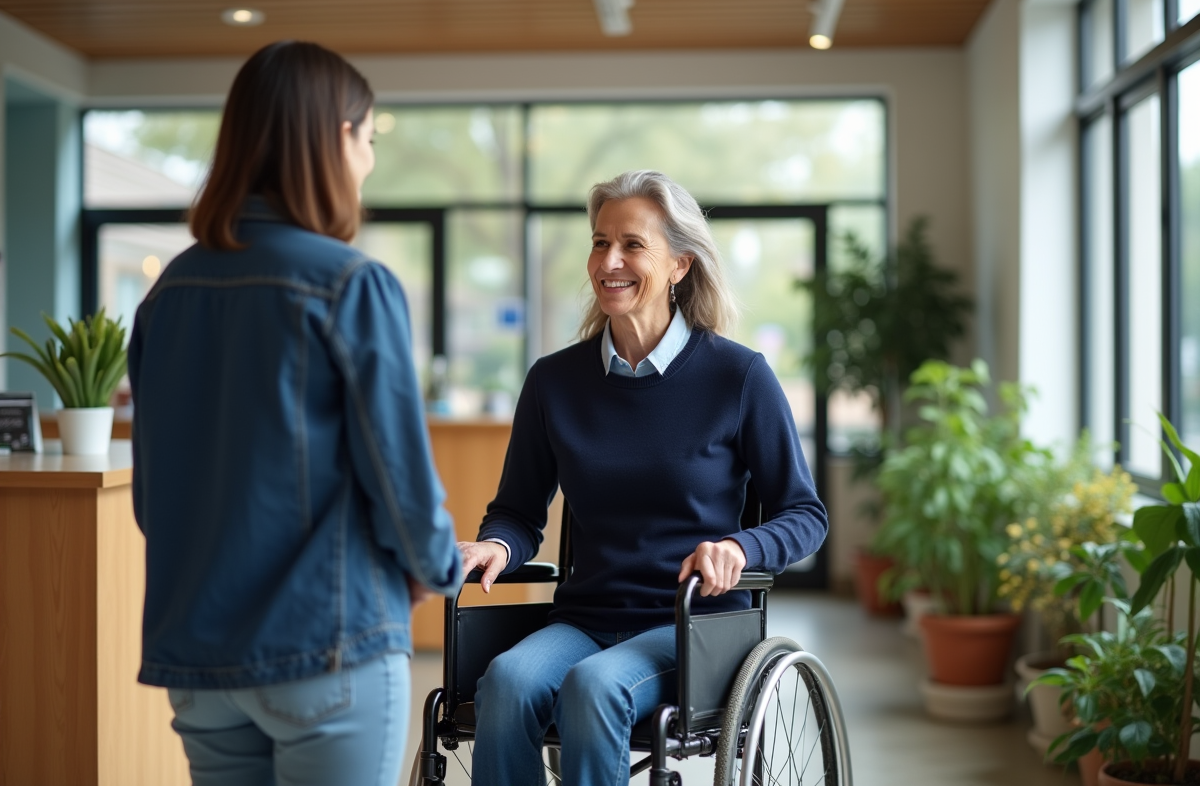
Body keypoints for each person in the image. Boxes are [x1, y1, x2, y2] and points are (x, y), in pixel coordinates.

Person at [127, 41, 462, 786]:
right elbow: (399, 476)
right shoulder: (350, 283)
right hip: (328, 644)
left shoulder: (166, 294)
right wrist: (436, 566)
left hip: (202, 658)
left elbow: (154, 499)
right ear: (336, 137)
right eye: (368, 139)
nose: (369, 162)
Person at [458, 169, 829, 785]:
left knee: (593, 688)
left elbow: (805, 514)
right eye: (600, 242)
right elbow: (519, 512)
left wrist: (741, 546)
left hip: (689, 624)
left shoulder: (738, 378)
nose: (610, 260)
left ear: (681, 266)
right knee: (505, 682)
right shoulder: (554, 383)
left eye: (633, 245)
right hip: (585, 617)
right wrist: (497, 543)